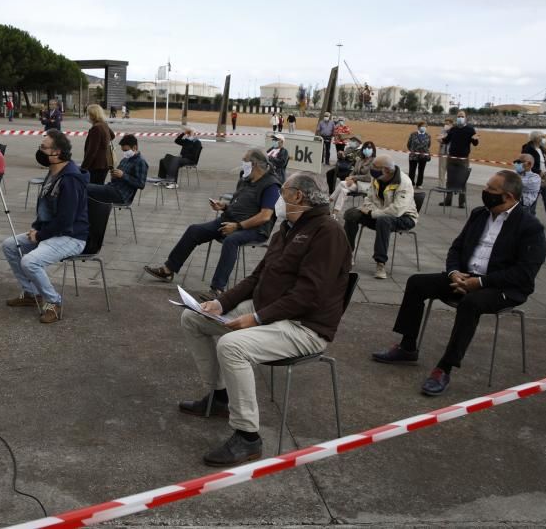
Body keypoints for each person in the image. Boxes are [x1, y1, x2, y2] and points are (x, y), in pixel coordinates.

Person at [177, 173, 351, 466]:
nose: (279, 199)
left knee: (231, 346)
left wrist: (256, 318)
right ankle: (220, 397)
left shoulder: (328, 232)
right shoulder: (288, 227)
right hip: (272, 313)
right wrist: (221, 303)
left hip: (305, 327)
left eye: (283, 192)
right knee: (192, 318)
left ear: (298, 196)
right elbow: (257, 276)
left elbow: (309, 294)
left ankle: (248, 436)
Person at [372, 171, 545, 395]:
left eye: (492, 190)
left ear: (509, 197)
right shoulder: (479, 214)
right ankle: (407, 346)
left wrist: (480, 282)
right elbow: (457, 247)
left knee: (470, 303)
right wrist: (454, 273)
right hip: (464, 276)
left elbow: (524, 273)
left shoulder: (530, 227)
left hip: (502, 288)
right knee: (417, 283)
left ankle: (445, 368)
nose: (485, 193)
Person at [144, 149, 280, 300]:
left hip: (254, 229)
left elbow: (265, 216)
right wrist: (225, 206)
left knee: (231, 240)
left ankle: (217, 289)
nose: (242, 163)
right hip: (229, 221)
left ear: (254, 164)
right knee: (194, 230)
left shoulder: (271, 186)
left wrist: (238, 226)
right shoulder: (245, 179)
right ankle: (169, 269)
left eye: (245, 160)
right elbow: (241, 204)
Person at [2, 130, 88, 324]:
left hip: (72, 237)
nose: (39, 151)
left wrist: (40, 235)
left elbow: (66, 220)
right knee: (10, 245)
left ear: (56, 152)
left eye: (43, 147)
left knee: (30, 262)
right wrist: (36, 229)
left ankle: (54, 302)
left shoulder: (70, 179)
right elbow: (45, 209)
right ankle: (31, 294)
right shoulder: (54, 172)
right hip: (52, 232)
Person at [343, 155, 419, 280]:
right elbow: (369, 198)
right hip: (379, 212)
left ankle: (380, 263)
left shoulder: (404, 182)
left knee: (384, 221)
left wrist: (372, 213)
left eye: (376, 168)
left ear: (388, 170)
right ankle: (347, 254)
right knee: (351, 214)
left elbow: (397, 210)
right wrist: (369, 209)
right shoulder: (377, 177)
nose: (372, 170)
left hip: (404, 217)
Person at [87, 134, 148, 205]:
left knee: (87, 188)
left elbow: (141, 184)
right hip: (112, 188)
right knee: (85, 188)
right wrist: (114, 175)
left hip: (121, 194)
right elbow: (118, 177)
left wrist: (123, 175)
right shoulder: (125, 159)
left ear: (134, 147)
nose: (125, 153)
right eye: (123, 151)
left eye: (126, 150)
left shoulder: (140, 162)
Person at [439, 111, 478, 208]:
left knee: (462, 181)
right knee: (450, 180)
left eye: (462, 116)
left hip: (463, 159)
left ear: (465, 118)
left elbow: (475, 143)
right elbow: (447, 140)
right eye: (458, 116)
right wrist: (441, 140)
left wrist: (475, 139)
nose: (460, 118)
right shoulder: (453, 129)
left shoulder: (470, 129)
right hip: (451, 158)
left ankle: (462, 202)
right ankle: (448, 200)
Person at [329, 140, 377, 217]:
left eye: (369, 147)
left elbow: (368, 177)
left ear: (373, 149)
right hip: (353, 184)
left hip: (364, 185)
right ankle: (335, 214)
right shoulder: (360, 160)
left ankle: (330, 200)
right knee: (343, 191)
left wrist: (353, 178)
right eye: (365, 147)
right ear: (363, 149)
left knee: (342, 183)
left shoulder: (374, 162)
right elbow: (353, 171)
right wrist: (349, 178)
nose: (367, 149)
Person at [81, 104, 114, 185]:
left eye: (88, 114)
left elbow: (92, 151)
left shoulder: (96, 128)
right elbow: (112, 135)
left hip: (96, 166)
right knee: (99, 187)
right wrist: (103, 144)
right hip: (104, 164)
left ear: (92, 115)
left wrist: (83, 167)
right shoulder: (104, 124)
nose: (87, 116)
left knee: (92, 190)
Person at [406, 121, 431, 188]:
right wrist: (413, 151)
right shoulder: (413, 134)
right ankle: (411, 183)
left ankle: (419, 184)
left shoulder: (428, 135)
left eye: (425, 126)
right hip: (413, 156)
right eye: (422, 126)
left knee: (421, 170)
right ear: (418, 127)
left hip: (423, 156)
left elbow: (428, 145)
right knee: (412, 170)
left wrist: (423, 152)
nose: (424, 128)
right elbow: (408, 144)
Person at [437, 117, 454, 183]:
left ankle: (450, 184)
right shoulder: (442, 130)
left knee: (451, 169)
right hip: (442, 152)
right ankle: (441, 184)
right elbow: (439, 139)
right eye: (445, 124)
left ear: (451, 124)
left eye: (448, 124)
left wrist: (444, 138)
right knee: (441, 169)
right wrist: (440, 139)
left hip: (451, 153)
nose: (446, 125)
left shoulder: (454, 131)